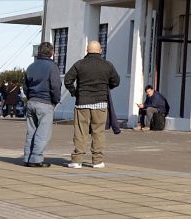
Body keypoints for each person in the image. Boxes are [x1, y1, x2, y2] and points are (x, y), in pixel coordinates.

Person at [63, 41, 121, 169]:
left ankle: (77, 160)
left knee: (80, 132)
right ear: (100, 50)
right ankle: (97, 161)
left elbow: (67, 80)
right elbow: (116, 81)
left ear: (87, 50)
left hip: (82, 103)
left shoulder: (79, 64)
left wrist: (75, 92)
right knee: (98, 132)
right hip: (100, 103)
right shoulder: (107, 65)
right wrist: (106, 87)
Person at [21, 44, 62, 167]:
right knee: (43, 133)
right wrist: (55, 100)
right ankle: (36, 159)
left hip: (32, 101)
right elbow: (55, 86)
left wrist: (30, 97)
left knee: (31, 132)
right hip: (45, 102)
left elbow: (25, 86)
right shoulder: (52, 67)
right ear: (51, 52)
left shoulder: (31, 67)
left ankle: (27, 157)